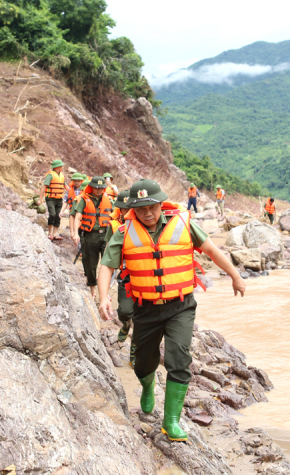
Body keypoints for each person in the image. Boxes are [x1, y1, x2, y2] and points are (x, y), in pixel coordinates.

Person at [97, 179, 246, 442]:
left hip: (180, 306)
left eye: (152, 206)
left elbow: (211, 249)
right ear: (132, 208)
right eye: (141, 208)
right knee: (143, 363)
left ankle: (171, 422)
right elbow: (107, 266)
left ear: (160, 203)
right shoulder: (124, 231)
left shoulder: (183, 223)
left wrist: (235, 275)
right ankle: (147, 385)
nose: (148, 213)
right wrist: (103, 297)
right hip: (145, 309)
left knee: (179, 357)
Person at [107, 189, 136, 366]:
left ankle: (135, 354)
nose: (127, 212)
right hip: (124, 278)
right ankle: (125, 325)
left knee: (141, 320)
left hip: (143, 278)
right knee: (125, 312)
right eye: (123, 209)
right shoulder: (115, 228)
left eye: (129, 208)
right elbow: (108, 257)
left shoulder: (143, 225)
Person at [72, 176, 113, 298]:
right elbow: (77, 217)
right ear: (91, 187)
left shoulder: (109, 200)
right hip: (90, 235)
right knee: (91, 264)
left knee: (107, 263)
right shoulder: (84, 200)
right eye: (96, 188)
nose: (99, 190)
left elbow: (116, 215)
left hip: (105, 235)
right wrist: (75, 233)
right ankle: (92, 290)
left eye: (101, 188)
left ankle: (105, 292)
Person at [41, 159, 66, 240]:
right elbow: (44, 187)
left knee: (58, 215)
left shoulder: (61, 175)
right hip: (50, 198)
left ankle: (55, 234)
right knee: (52, 214)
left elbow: (66, 187)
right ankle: (50, 233)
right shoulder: (50, 175)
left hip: (59, 199)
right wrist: (40, 199)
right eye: (61, 166)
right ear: (58, 167)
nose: (62, 167)